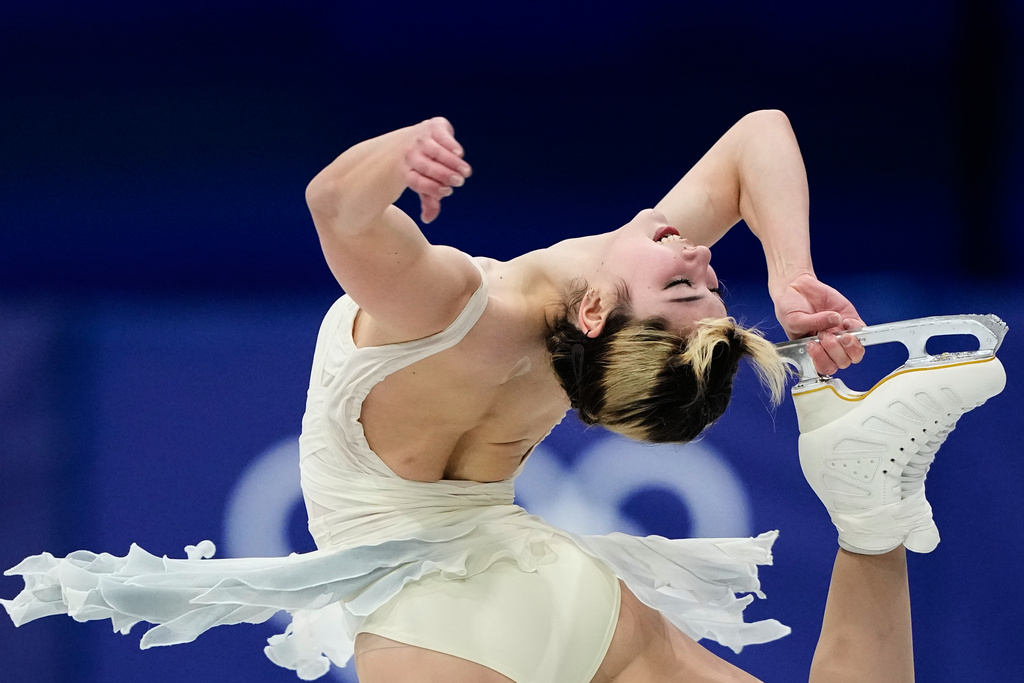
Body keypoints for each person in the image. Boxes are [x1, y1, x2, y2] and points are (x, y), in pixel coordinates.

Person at [4, 110, 995, 683]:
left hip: (436, 623)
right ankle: (866, 524)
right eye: (706, 281)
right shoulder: (585, 301)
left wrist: (398, 153)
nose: (699, 253)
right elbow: (757, 139)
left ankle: (869, 520)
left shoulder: (457, 305)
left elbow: (334, 205)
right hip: (536, 580)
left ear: (601, 311)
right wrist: (786, 270)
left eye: (689, 284)